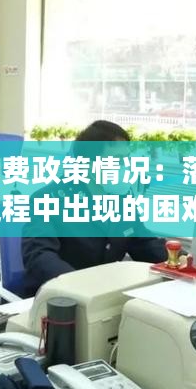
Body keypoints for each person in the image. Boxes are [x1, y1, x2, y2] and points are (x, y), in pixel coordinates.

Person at [21, 120, 167, 298]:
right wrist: (81, 286)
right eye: (117, 160)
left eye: (126, 159)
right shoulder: (47, 199)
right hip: (58, 297)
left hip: (104, 294)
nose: (125, 167)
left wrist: (181, 261)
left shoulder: (121, 199)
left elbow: (144, 243)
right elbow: (40, 257)